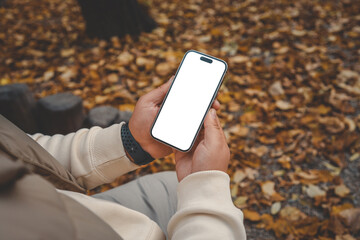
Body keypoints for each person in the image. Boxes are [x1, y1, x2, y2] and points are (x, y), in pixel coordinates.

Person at [0, 77, 246, 239]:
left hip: (64, 205)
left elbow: (23, 152)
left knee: (171, 185)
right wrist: (207, 191)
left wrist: (133, 142)